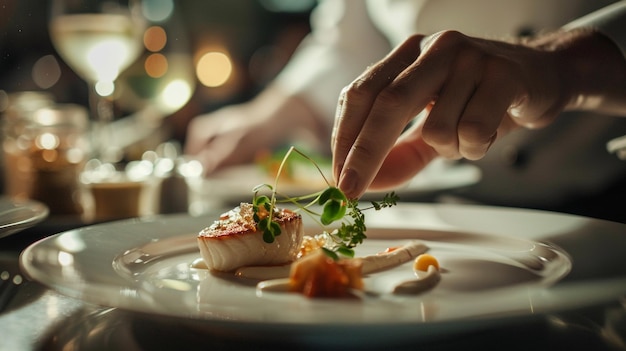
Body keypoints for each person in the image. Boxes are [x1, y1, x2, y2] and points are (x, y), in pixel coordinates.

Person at [185, 0, 626, 221]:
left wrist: (566, 64)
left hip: (607, 203)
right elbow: (352, 33)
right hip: (448, 214)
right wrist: (277, 108)